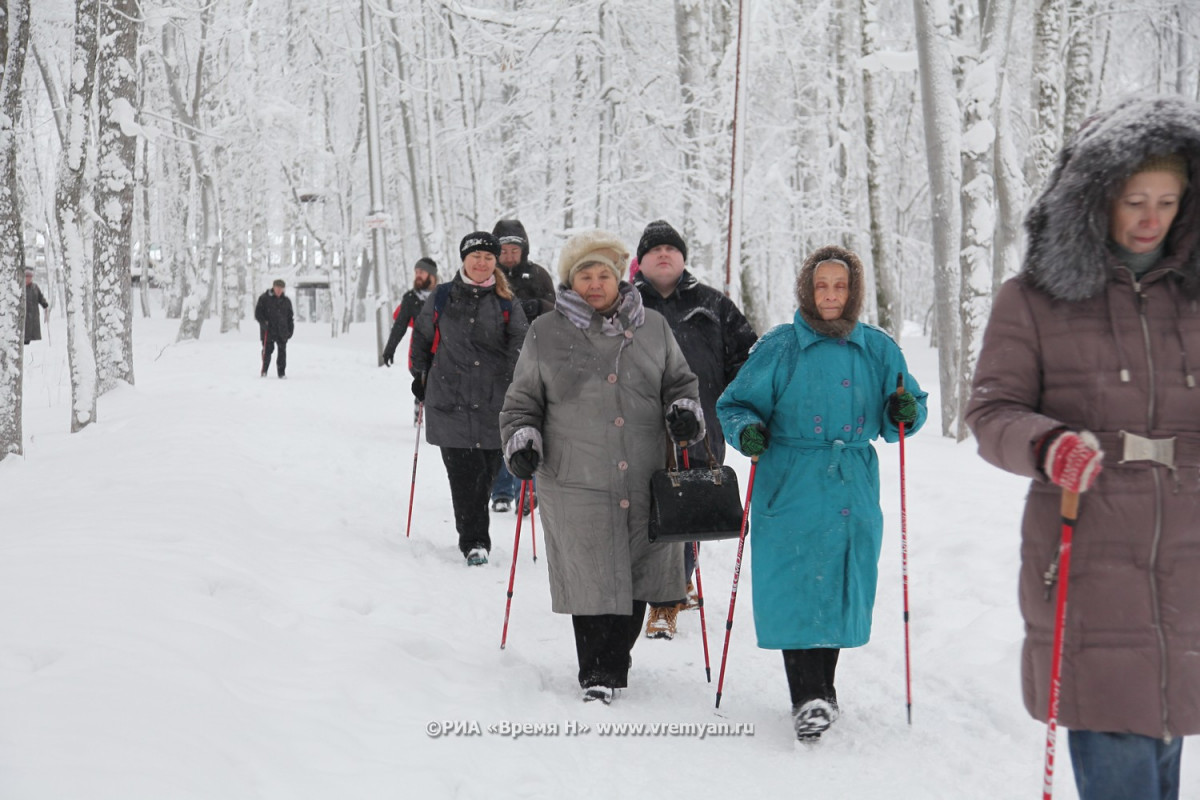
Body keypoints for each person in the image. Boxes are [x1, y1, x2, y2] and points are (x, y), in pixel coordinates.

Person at [966, 96, 1200, 800]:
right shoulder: (1034, 299)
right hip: (1087, 550)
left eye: (1167, 200)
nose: (1151, 217)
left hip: (1186, 560)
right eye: (1134, 200)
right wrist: (1047, 445)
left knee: (1161, 742)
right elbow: (991, 411)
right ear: (1096, 198)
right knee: (1120, 747)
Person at [716, 244, 926, 741]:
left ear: (853, 291)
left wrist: (904, 413)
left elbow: (907, 402)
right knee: (794, 584)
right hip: (789, 476)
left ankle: (823, 692)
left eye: (840, 285)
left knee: (835, 586)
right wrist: (748, 432)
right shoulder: (780, 345)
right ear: (807, 290)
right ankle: (806, 696)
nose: (831, 294)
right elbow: (736, 403)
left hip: (850, 479)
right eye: (821, 285)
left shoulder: (877, 348)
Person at [499, 228, 704, 704]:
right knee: (589, 573)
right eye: (584, 276)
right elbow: (521, 401)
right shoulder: (545, 332)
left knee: (635, 572)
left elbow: (681, 383)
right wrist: (522, 439)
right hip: (575, 477)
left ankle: (616, 660)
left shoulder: (653, 326)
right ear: (571, 283)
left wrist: (683, 412)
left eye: (603, 275)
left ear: (619, 278)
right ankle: (596, 670)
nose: (595, 284)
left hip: (642, 470)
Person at [633, 219, 758, 640]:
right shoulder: (623, 304)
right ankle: (654, 587)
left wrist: (739, 404)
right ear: (641, 261)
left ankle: (667, 601)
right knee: (643, 512)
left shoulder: (713, 305)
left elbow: (748, 361)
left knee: (688, 512)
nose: (663, 254)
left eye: (671, 248)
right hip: (635, 428)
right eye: (654, 250)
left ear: (683, 258)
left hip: (701, 428)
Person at [410, 232, 528, 566]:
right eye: (475, 256)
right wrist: (420, 375)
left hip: (494, 402)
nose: (481, 262)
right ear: (464, 260)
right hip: (449, 399)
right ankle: (474, 541)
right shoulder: (443, 295)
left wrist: (510, 380)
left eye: (488, 258)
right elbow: (422, 335)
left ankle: (474, 531)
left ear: (495, 263)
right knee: (462, 475)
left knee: (486, 474)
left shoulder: (506, 302)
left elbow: (521, 342)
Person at [489, 219, 556, 514]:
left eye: (514, 249)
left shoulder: (538, 275)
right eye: (503, 249)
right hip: (495, 360)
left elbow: (557, 312)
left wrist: (537, 306)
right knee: (501, 426)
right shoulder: (486, 274)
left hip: (533, 359)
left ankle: (527, 489)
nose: (509, 255)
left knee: (530, 423)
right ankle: (501, 490)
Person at [382, 258, 439, 424]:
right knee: (422, 382)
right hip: (419, 351)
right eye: (416, 272)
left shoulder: (443, 295)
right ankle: (419, 412)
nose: (418, 275)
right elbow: (399, 325)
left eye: (421, 272)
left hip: (441, 348)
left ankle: (435, 417)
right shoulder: (410, 299)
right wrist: (389, 349)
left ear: (432, 275)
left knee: (438, 384)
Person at [255, 279, 294, 378]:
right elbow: (258, 314)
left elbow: (290, 317)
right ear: (273, 287)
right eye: (277, 288)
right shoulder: (264, 298)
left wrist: (290, 330)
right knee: (267, 351)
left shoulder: (286, 301)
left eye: (281, 289)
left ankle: (281, 373)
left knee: (282, 352)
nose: (279, 290)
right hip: (268, 330)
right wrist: (264, 324)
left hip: (282, 331)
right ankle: (264, 371)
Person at [24, 268, 49, 346]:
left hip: (33, 314)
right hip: (24, 314)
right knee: (24, 332)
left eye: (30, 277)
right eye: (27, 277)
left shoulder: (35, 287)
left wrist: (45, 305)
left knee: (31, 333)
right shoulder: (20, 287)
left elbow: (40, 297)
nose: (29, 279)